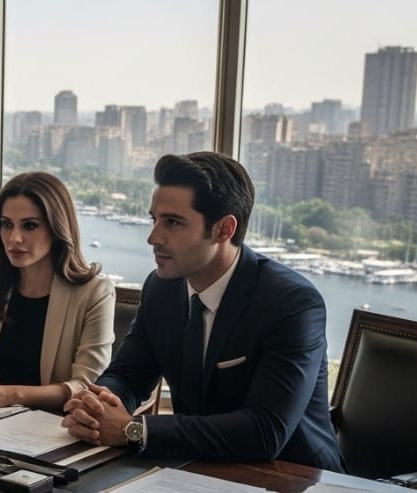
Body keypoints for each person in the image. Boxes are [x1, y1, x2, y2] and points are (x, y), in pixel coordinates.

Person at [62, 152, 344, 471]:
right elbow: (128, 375)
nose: (153, 237)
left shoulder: (291, 303)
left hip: (293, 481)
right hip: (196, 471)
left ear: (224, 229)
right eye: (154, 219)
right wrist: (98, 405)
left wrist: (135, 431)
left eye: (173, 222)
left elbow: (265, 430)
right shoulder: (161, 288)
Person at [0, 172, 114, 411]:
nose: (14, 238)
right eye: (6, 224)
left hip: (58, 428)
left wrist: (7, 394)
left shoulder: (95, 292)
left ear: (57, 228)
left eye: (30, 226)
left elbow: (84, 385)